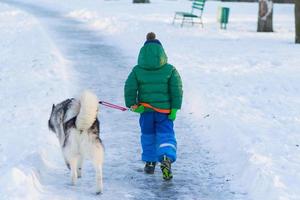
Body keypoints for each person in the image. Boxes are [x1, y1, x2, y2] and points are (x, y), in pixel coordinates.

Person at [124, 32, 183, 180]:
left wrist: (133, 105)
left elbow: (129, 88)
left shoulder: (137, 70)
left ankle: (150, 163)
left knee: (148, 136)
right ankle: (165, 158)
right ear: (162, 53)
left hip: (146, 112)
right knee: (166, 135)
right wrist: (175, 108)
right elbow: (177, 90)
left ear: (142, 53)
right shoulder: (170, 70)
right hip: (165, 112)